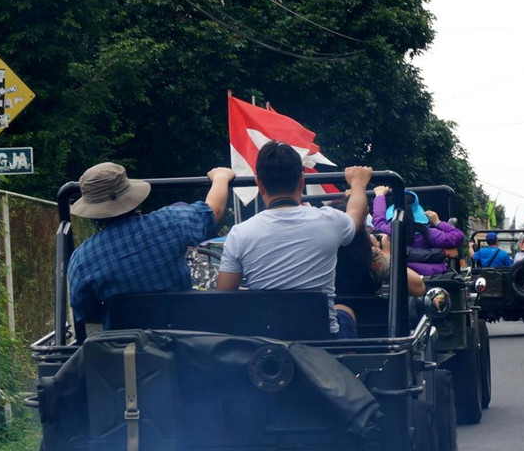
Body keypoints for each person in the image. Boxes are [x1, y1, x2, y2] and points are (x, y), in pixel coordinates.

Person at [214, 141, 371, 337]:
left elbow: (223, 298)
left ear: (259, 185)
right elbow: (356, 211)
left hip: (268, 348)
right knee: (345, 311)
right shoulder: (330, 221)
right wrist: (358, 183)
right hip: (324, 343)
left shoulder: (239, 234)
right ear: (301, 182)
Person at [66, 161, 236, 324]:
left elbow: (86, 313)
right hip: (184, 340)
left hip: (122, 348)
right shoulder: (171, 222)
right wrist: (221, 176)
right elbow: (213, 211)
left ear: (91, 212)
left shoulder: (81, 260)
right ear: (131, 195)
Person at [370, 187, 465, 276]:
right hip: (432, 278)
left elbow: (378, 220)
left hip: (401, 277)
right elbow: (458, 236)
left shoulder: (389, 231)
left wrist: (379, 196)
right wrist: (438, 222)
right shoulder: (429, 233)